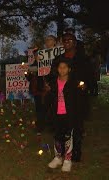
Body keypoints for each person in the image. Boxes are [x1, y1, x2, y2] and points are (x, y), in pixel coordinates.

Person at [49, 33, 89, 162]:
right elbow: (52, 75)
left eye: (69, 40)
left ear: (75, 42)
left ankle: (75, 154)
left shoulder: (82, 58)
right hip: (63, 99)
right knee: (62, 128)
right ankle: (61, 153)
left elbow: (90, 75)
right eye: (64, 40)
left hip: (77, 98)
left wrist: (85, 85)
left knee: (76, 126)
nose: (67, 42)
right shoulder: (58, 58)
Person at [47, 58, 83, 172]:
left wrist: (82, 89)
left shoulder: (73, 83)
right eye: (60, 67)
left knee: (68, 137)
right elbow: (50, 100)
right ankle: (58, 157)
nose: (62, 69)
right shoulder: (53, 83)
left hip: (69, 114)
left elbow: (79, 101)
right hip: (56, 114)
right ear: (57, 69)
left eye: (65, 67)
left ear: (69, 69)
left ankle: (67, 159)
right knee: (57, 136)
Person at [25, 48, 49, 135]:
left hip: (45, 89)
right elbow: (29, 79)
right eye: (35, 55)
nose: (37, 56)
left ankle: (48, 124)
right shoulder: (32, 66)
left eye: (38, 54)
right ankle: (40, 126)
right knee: (39, 108)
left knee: (47, 107)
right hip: (36, 90)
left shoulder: (47, 64)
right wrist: (27, 74)